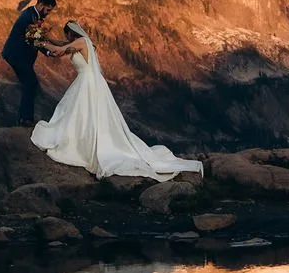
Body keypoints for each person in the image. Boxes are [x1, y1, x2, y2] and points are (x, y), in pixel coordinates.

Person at [32, 21, 203, 181]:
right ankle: (85, 139)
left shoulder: (80, 42)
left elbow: (59, 51)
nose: (67, 38)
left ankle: (82, 143)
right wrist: (43, 38)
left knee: (80, 112)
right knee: (85, 113)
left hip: (88, 82)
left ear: (71, 33)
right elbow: (60, 44)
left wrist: (38, 42)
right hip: (89, 81)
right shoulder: (82, 42)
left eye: (67, 35)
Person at [1, 0, 58, 126]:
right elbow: (34, 39)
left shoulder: (33, 15)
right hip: (17, 55)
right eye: (48, 10)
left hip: (19, 56)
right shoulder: (29, 17)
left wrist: (48, 50)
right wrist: (49, 51)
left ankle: (24, 118)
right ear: (41, 4)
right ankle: (26, 119)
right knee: (31, 83)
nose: (48, 13)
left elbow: (36, 39)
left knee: (29, 84)